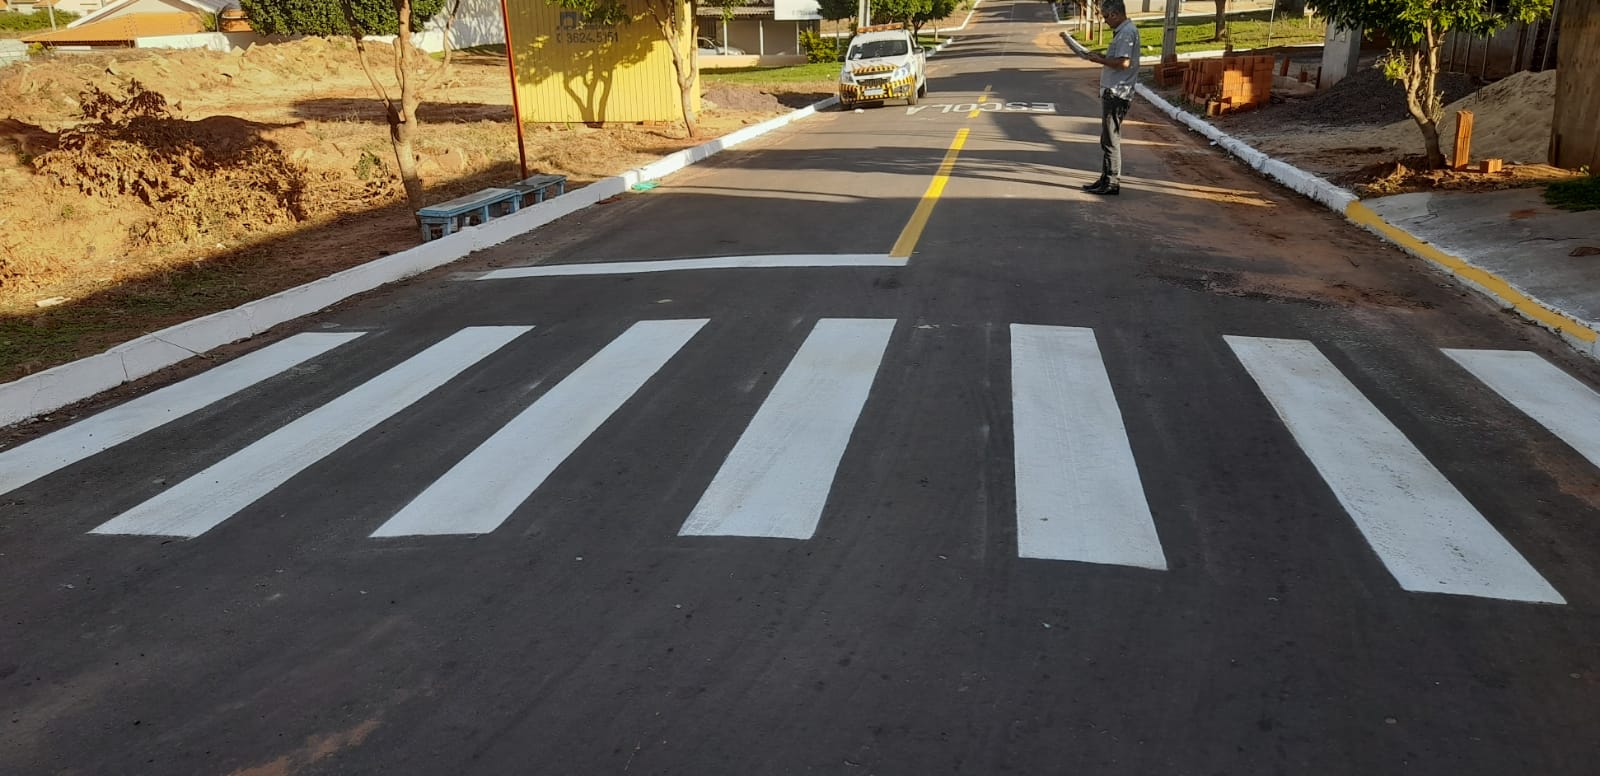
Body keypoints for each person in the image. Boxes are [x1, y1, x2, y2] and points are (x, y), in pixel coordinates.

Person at [1077, 0, 1139, 196]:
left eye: (1105, 17)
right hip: (1114, 91)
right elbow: (1118, 59)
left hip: (1117, 93)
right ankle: (1105, 178)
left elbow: (1123, 63)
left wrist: (1100, 60)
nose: (1105, 21)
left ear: (1115, 14)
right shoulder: (1123, 32)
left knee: (1111, 139)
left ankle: (1112, 181)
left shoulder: (1126, 33)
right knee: (1107, 138)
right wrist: (1102, 56)